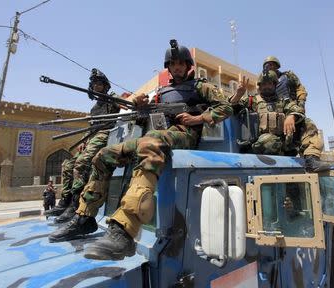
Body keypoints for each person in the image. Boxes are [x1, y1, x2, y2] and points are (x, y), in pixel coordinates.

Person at [48, 40, 233, 260]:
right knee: (103, 155)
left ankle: (125, 230)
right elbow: (146, 121)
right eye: (173, 64)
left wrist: (198, 118)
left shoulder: (200, 86)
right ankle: (85, 217)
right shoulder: (162, 92)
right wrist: (141, 108)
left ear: (188, 65)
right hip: (155, 136)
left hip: (184, 134)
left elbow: (226, 106)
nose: (177, 67)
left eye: (181, 64)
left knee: (150, 142)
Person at [44, 69, 120, 224]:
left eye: (99, 84)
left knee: (81, 163)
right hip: (92, 137)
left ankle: (75, 205)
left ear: (105, 86)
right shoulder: (94, 109)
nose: (96, 87)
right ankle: (65, 201)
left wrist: (124, 100)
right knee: (67, 165)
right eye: (94, 85)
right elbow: (90, 128)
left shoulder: (112, 99)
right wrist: (83, 142)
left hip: (105, 134)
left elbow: (125, 101)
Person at [230, 70, 324, 171]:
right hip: (259, 146)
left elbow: (298, 109)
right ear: (260, 86)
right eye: (264, 84)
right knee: (268, 139)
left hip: (283, 145)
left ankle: (311, 159)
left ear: (275, 85)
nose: (267, 86)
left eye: (270, 83)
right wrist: (238, 95)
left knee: (307, 123)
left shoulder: (283, 101)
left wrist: (292, 116)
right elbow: (230, 108)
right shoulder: (252, 100)